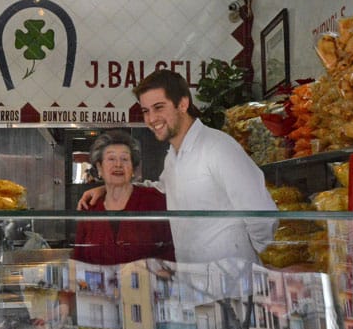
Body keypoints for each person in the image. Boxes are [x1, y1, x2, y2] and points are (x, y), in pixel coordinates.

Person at [79, 69, 277, 267]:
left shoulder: (218, 147)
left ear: (183, 104)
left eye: (158, 107)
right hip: (194, 280)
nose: (151, 118)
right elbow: (162, 187)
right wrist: (109, 187)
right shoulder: (173, 156)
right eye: (146, 111)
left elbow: (262, 215)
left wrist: (256, 263)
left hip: (232, 281)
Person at [73, 129, 175, 265]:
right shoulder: (89, 206)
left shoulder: (155, 201)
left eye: (125, 159)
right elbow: (79, 259)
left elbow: (171, 252)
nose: (118, 164)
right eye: (111, 158)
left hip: (146, 285)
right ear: (99, 168)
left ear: (133, 169)